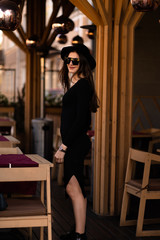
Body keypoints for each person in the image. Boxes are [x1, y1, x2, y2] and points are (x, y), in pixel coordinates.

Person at [55, 44, 99, 240]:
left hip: (75, 143)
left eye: (75, 61)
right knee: (75, 187)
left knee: (73, 188)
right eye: (68, 60)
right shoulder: (77, 85)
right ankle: (78, 232)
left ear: (82, 64)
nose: (71, 63)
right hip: (74, 142)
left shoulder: (82, 86)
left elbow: (81, 120)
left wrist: (63, 147)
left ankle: (80, 234)